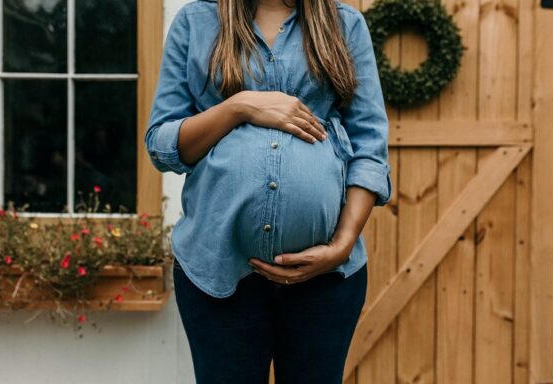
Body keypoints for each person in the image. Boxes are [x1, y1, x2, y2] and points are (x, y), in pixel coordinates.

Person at [145, 0, 392, 382]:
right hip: (217, 272)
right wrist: (240, 106)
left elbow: (369, 145)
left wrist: (342, 244)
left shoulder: (345, 24)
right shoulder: (196, 22)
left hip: (324, 279)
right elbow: (162, 145)